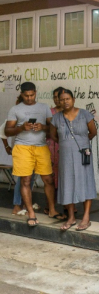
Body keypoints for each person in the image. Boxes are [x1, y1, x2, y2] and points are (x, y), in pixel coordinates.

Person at [5, 82, 66, 227]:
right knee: (26, 181)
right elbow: (7, 131)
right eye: (26, 95)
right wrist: (21, 128)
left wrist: (43, 127)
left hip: (41, 147)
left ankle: (51, 210)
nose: (29, 98)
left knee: (48, 179)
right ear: (22, 94)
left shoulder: (44, 107)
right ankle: (30, 212)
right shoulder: (15, 109)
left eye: (32, 95)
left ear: (35, 92)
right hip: (22, 148)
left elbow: (52, 128)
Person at [50, 89, 97, 231]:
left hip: (83, 154)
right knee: (67, 183)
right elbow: (53, 136)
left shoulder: (84, 114)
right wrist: (66, 144)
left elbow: (93, 132)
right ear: (58, 101)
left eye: (67, 99)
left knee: (86, 181)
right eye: (62, 99)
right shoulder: (56, 118)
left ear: (74, 99)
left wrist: (82, 143)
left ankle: (86, 217)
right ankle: (71, 217)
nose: (65, 102)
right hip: (65, 156)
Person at [1, 103, 36, 215]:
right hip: (20, 151)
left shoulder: (33, 118)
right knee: (23, 179)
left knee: (30, 178)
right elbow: (2, 133)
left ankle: (26, 204)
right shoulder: (13, 118)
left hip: (33, 151)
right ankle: (17, 205)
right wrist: (7, 147)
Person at [44, 86, 64, 215]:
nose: (57, 100)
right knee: (51, 177)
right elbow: (44, 130)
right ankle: (50, 206)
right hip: (51, 147)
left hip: (64, 148)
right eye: (55, 97)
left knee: (65, 176)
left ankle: (68, 206)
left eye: (59, 97)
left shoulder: (69, 111)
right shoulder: (48, 112)